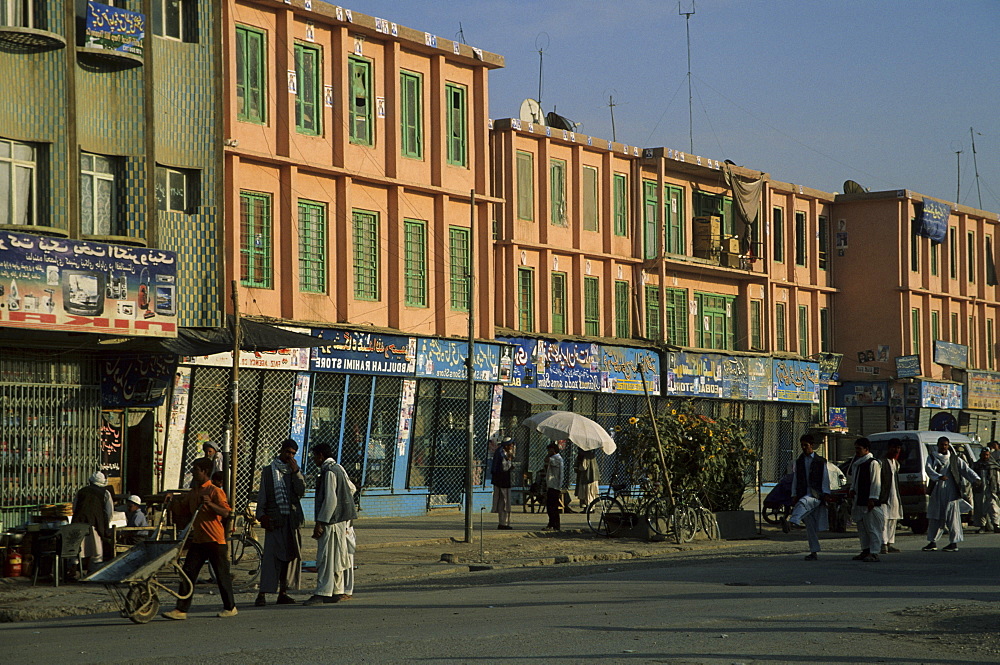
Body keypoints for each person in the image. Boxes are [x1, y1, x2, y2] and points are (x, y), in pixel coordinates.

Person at [162, 458, 237, 620]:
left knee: (222, 576)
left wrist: (210, 504)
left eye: (196, 469)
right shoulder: (193, 492)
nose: (193, 472)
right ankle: (181, 609)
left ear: (204, 471)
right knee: (188, 573)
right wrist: (171, 500)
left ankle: (230, 607)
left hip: (215, 540)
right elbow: (182, 510)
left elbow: (226, 513)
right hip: (198, 540)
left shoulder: (214, 491)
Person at [304, 443, 358, 605]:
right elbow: (351, 489)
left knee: (326, 558)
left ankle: (323, 591)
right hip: (341, 521)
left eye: (314, 456)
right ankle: (336, 590)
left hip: (331, 522)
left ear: (320, 455)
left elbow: (330, 500)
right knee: (337, 557)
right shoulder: (339, 468)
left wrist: (321, 522)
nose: (314, 460)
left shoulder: (328, 473)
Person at [254, 439, 306, 607]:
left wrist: (296, 472)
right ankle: (262, 594)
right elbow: (263, 494)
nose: (289, 456)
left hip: (291, 521)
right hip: (275, 521)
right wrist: (261, 515)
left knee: (290, 558)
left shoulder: (294, 472)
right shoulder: (269, 471)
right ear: (282, 451)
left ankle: (283, 592)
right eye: (287, 453)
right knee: (271, 559)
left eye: (292, 454)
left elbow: (301, 491)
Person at [923, 436, 980, 552]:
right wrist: (939, 476)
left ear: (948, 446)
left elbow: (965, 469)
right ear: (938, 445)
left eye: (946, 445)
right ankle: (932, 542)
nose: (943, 447)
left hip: (951, 491)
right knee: (935, 516)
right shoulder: (932, 457)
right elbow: (928, 469)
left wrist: (976, 479)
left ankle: (954, 543)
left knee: (952, 517)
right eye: (941, 444)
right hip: (937, 489)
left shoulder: (954, 459)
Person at [785, 434, 830, 561]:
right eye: (802, 445)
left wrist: (826, 493)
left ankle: (793, 522)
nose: (804, 448)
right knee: (810, 526)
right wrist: (794, 494)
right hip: (803, 491)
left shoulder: (820, 461)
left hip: (816, 494)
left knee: (803, 502)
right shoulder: (799, 461)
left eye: (806, 445)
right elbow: (796, 479)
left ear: (812, 446)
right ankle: (814, 551)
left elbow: (825, 477)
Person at [848, 438, 883, 562]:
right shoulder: (858, 463)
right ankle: (866, 550)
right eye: (856, 448)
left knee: (873, 528)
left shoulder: (873, 463)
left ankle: (874, 552)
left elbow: (875, 482)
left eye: (859, 448)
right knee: (862, 529)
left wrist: (872, 498)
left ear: (866, 449)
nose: (856, 451)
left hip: (869, 502)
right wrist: (852, 489)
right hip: (860, 500)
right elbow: (855, 480)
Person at [73, 471, 113, 574]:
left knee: (78, 547)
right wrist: (105, 524)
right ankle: (93, 570)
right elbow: (109, 511)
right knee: (96, 548)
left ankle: (74, 568)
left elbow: (74, 507)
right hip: (95, 524)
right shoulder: (105, 493)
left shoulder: (81, 491)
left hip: (79, 523)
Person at [879, 439, 903, 553]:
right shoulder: (881, 462)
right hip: (884, 496)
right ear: (889, 448)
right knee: (884, 521)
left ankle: (890, 543)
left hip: (894, 496)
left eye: (898, 448)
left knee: (893, 520)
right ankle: (883, 544)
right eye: (894, 448)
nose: (896, 450)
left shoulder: (896, 463)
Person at [972, 448, 1000, 532]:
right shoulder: (976, 466)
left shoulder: (993, 466)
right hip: (980, 490)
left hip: (991, 489)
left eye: (987, 455)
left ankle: (996, 525)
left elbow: (997, 478)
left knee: (993, 507)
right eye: (984, 455)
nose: (985, 456)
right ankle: (982, 526)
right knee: (981, 508)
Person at [491, 438, 515, 530]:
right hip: (503, 480)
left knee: (502, 502)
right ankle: (504, 523)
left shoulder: (499, 452)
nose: (512, 446)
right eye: (511, 445)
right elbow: (504, 467)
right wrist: (509, 461)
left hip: (499, 480)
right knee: (505, 502)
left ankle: (503, 522)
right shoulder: (503, 454)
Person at [543, 442, 563, 531]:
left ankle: (554, 524)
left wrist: (548, 454)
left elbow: (546, 460)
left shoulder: (556, 458)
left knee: (552, 506)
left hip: (554, 485)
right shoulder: (556, 458)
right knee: (551, 506)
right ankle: (553, 524)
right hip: (552, 485)